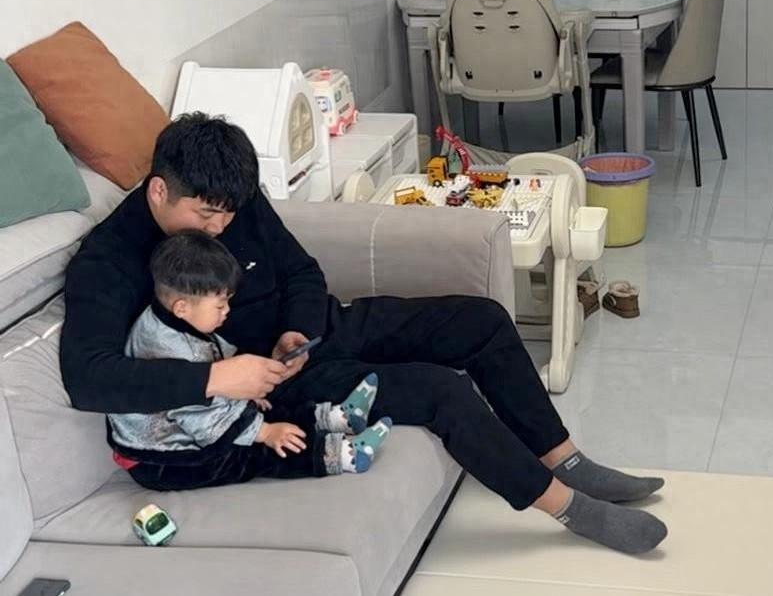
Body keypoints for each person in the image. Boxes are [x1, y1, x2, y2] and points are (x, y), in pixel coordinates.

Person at [60, 112, 668, 554]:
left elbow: (301, 271)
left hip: (314, 337)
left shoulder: (231, 202)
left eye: (228, 213)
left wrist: (297, 329)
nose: (220, 226)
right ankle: (566, 508)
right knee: (441, 391)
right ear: (159, 190)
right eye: (205, 214)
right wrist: (220, 377)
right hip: (266, 389)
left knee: (481, 320)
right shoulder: (109, 260)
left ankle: (564, 458)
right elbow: (88, 379)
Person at [109, 230, 391, 490]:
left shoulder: (169, 317)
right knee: (255, 452)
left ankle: (338, 418)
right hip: (164, 458)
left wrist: (244, 391)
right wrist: (265, 432)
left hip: (196, 415)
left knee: (264, 406)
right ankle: (344, 455)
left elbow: (214, 364)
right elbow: (201, 420)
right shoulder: (169, 350)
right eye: (220, 305)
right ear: (182, 307)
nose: (227, 311)